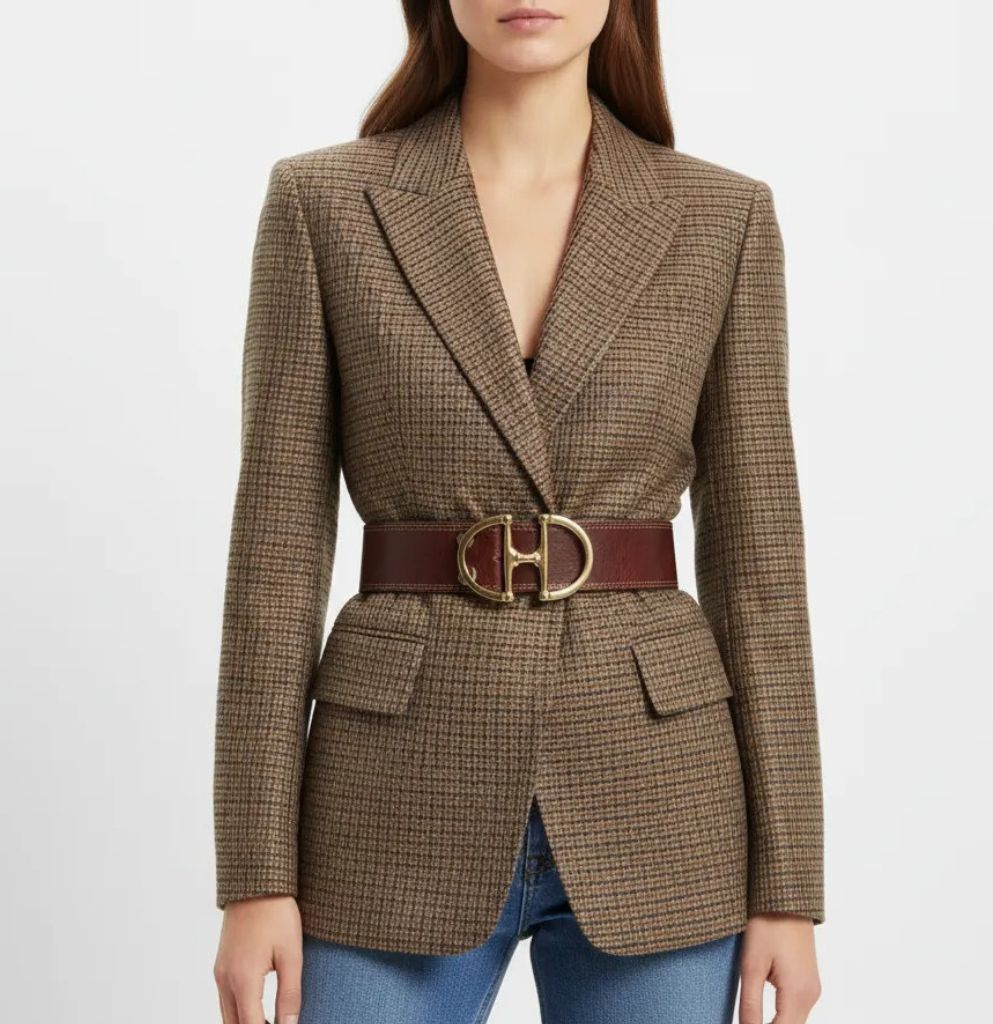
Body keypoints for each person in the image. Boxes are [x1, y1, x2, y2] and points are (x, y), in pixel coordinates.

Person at [212, 2, 825, 1022]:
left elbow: (760, 573)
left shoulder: (722, 217)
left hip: (661, 798)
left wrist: (788, 887)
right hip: (389, 800)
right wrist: (254, 873)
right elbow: (272, 565)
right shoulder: (324, 204)